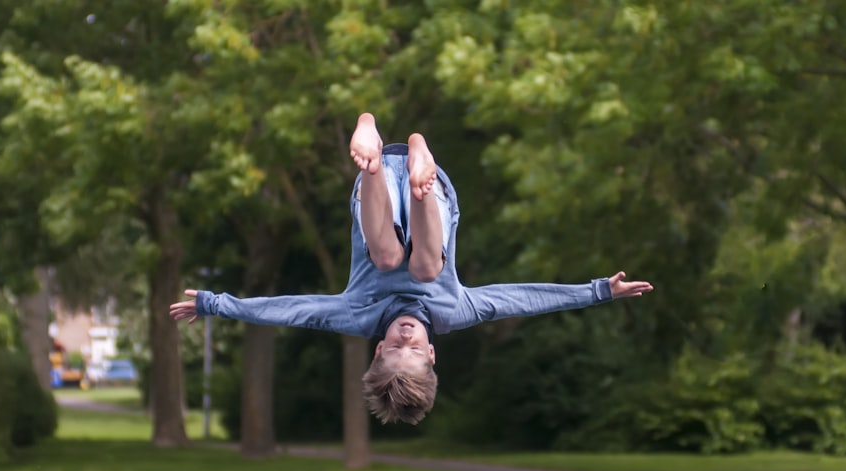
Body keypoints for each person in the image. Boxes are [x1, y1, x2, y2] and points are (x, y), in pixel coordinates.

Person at [170, 112, 653, 425]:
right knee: (425, 272)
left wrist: (216, 304)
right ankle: (420, 160)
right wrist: (597, 292)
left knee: (384, 258)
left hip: (375, 191)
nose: (406, 338)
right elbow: (519, 298)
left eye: (394, 348)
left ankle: (372, 149)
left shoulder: (355, 316)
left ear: (378, 348)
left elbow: (292, 311)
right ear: (432, 354)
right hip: (433, 195)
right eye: (414, 348)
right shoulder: (454, 312)